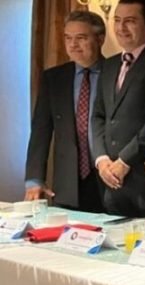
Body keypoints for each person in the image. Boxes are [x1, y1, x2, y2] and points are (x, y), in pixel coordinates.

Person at [25, 11, 107, 212]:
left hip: (109, 178)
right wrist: (34, 179)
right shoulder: (54, 78)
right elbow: (40, 131)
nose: (73, 45)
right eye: (68, 38)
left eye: (81, 38)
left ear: (100, 39)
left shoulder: (117, 72)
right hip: (68, 184)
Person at [92, 0, 145, 221]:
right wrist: (101, 160)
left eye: (130, 21)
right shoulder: (109, 65)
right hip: (110, 180)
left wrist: (124, 160)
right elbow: (98, 116)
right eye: (117, 20)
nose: (121, 28)